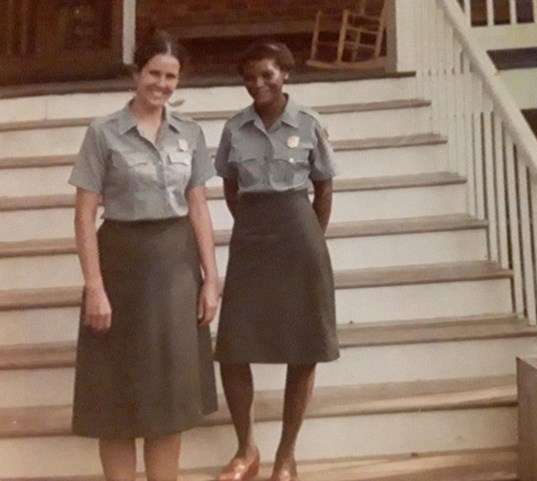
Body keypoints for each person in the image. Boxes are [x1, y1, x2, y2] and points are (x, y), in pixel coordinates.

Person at [68, 31, 219, 481]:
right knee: (116, 399)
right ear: (137, 74)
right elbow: (84, 213)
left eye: (171, 76)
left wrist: (210, 279)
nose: (162, 83)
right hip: (120, 268)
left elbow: (198, 205)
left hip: (175, 271)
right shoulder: (103, 133)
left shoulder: (189, 133)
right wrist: (95, 286)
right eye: (154, 72)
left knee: (168, 400)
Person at [214, 41, 339, 481]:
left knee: (302, 346)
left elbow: (323, 188)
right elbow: (230, 187)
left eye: (267, 75)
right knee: (233, 345)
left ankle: (286, 456)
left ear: (285, 74)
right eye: (249, 77)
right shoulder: (235, 128)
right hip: (251, 235)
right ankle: (246, 449)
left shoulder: (308, 123)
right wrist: (253, 224)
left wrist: (309, 238)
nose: (258, 84)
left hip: (299, 234)